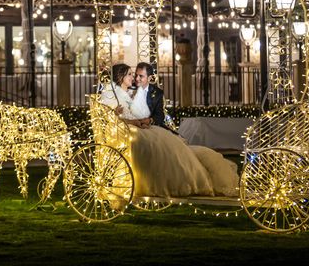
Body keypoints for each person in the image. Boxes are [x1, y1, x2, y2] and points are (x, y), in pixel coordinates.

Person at [100, 63, 238, 198]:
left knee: (166, 141)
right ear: (120, 77)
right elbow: (116, 118)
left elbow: (144, 114)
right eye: (130, 74)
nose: (134, 78)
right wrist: (136, 122)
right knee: (157, 142)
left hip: (137, 126)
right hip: (126, 130)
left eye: (135, 74)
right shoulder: (113, 95)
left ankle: (181, 175)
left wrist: (143, 121)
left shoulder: (129, 94)